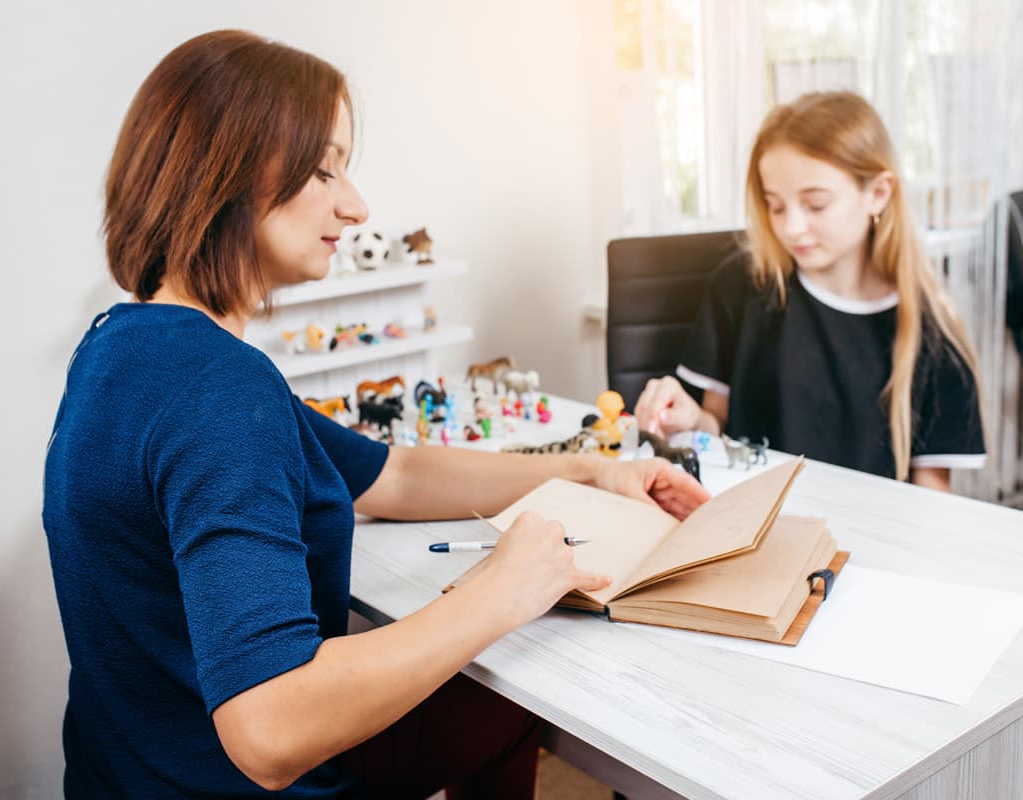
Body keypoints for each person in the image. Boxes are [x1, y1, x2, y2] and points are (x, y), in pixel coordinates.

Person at [42, 30, 710, 799]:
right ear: (221, 174)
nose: (355, 206)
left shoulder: (121, 343)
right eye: (323, 168)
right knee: (511, 684)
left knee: (493, 702)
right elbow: (269, 726)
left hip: (122, 773)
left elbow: (393, 473)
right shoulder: (219, 389)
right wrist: (500, 591)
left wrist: (592, 469)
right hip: (225, 784)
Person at [634, 92, 986, 491]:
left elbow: (931, 497)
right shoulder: (742, 285)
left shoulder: (933, 335)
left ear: (878, 193)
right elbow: (716, 425)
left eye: (815, 205)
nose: (791, 228)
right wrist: (690, 419)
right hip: (750, 527)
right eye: (776, 206)